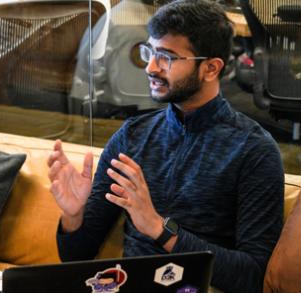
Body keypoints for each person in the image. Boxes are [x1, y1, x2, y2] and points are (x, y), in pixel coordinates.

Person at [48, 1, 285, 292]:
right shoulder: (133, 136)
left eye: (167, 57)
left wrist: (159, 229)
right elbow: (75, 256)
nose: (150, 67)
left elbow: (253, 276)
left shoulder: (253, 151)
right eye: (149, 51)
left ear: (210, 68)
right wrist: (73, 215)